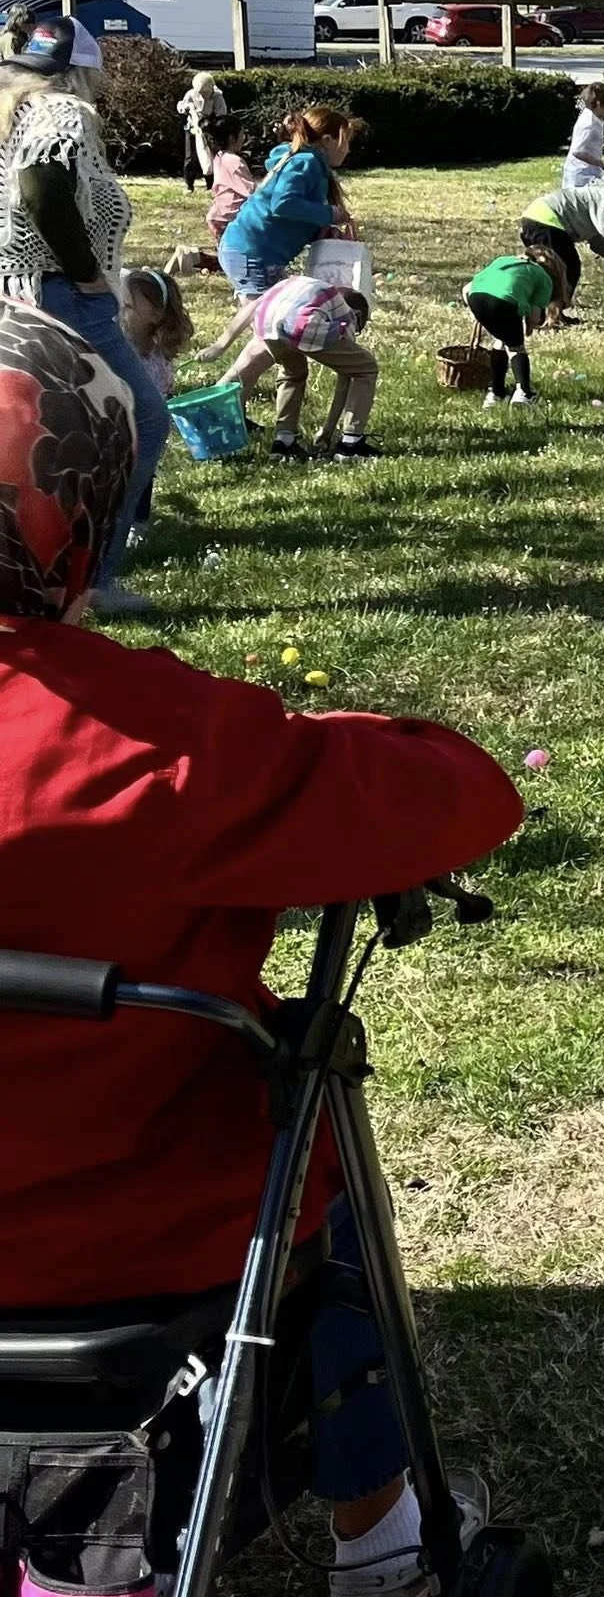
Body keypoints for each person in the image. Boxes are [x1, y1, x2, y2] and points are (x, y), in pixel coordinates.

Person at [0, 298, 523, 1588]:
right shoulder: (151, 744)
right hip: (141, 1246)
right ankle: (386, 1537)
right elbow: (463, 792)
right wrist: (322, 728)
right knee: (309, 1129)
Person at [0, 8, 165, 614]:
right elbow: (42, 188)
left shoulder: (13, 112)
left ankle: (37, 568)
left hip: (21, 291)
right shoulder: (62, 114)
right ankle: (91, 578)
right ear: (82, 75)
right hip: (66, 296)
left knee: (38, 437)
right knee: (138, 423)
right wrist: (86, 273)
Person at [199, 276, 381, 461]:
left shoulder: (295, 283)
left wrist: (220, 345)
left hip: (268, 321)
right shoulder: (346, 314)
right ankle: (351, 445)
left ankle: (284, 442)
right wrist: (328, 431)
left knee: (293, 372)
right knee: (365, 369)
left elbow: (252, 308)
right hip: (303, 324)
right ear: (357, 315)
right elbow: (346, 379)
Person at [219, 105, 359, 302]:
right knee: (270, 322)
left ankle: (230, 335)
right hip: (252, 253)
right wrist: (330, 214)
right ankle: (229, 335)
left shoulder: (306, 162)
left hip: (251, 251)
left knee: (272, 317)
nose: (348, 149)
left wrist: (325, 232)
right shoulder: (305, 163)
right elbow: (282, 204)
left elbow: (296, 215)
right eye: (346, 141)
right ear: (327, 141)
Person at [117, 267, 195, 541]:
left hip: (144, 426)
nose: (121, 304)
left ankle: (138, 524)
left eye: (129, 302)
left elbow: (161, 392)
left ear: (156, 314)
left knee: (143, 475)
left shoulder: (158, 355)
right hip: (117, 424)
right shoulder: (118, 343)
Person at [464, 246, 568, 407]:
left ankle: (495, 393)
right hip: (504, 302)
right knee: (516, 348)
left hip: (475, 296)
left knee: (501, 339)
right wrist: (529, 328)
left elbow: (468, 288)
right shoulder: (544, 278)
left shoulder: (505, 260)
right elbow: (534, 315)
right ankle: (524, 393)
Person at [517, 179, 604, 300]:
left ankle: (547, 310)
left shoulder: (597, 192)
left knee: (548, 270)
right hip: (546, 221)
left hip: (533, 217)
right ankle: (553, 312)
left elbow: (595, 240)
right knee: (567, 268)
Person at [204, 111, 258, 245]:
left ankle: (194, 258)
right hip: (229, 217)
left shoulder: (219, 156)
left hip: (218, 215)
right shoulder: (234, 161)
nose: (243, 138)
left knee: (226, 251)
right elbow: (251, 192)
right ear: (232, 138)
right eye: (242, 134)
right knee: (237, 252)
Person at [176, 70, 228, 193]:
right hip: (192, 127)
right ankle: (189, 184)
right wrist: (187, 109)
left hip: (209, 128)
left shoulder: (218, 97)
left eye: (205, 92)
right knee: (190, 156)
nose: (202, 95)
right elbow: (181, 106)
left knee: (210, 156)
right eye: (199, 92)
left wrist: (210, 124)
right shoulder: (190, 94)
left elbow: (222, 115)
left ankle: (211, 184)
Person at [563, 82, 604, 190]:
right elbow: (578, 151)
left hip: (587, 174)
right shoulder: (589, 123)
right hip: (579, 177)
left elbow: (590, 146)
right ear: (598, 104)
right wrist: (601, 163)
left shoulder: (596, 119)